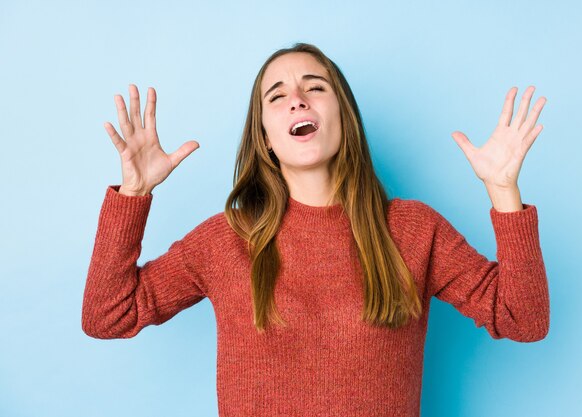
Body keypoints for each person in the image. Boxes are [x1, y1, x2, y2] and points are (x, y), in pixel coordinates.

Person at [82, 42, 550, 416]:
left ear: (343, 115)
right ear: (264, 136)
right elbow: (108, 316)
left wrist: (504, 191)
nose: (297, 100)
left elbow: (523, 320)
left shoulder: (413, 230)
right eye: (277, 95)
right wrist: (133, 194)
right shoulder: (226, 240)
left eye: (314, 87)